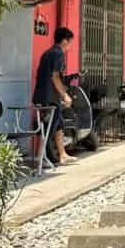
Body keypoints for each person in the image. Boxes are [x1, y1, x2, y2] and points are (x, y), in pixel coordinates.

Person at [32, 27, 76, 166]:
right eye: (70, 42)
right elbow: (55, 76)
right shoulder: (58, 54)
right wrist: (65, 95)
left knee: (59, 124)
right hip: (50, 97)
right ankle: (42, 158)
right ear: (64, 41)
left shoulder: (47, 53)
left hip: (41, 94)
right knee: (49, 126)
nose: (70, 46)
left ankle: (62, 154)